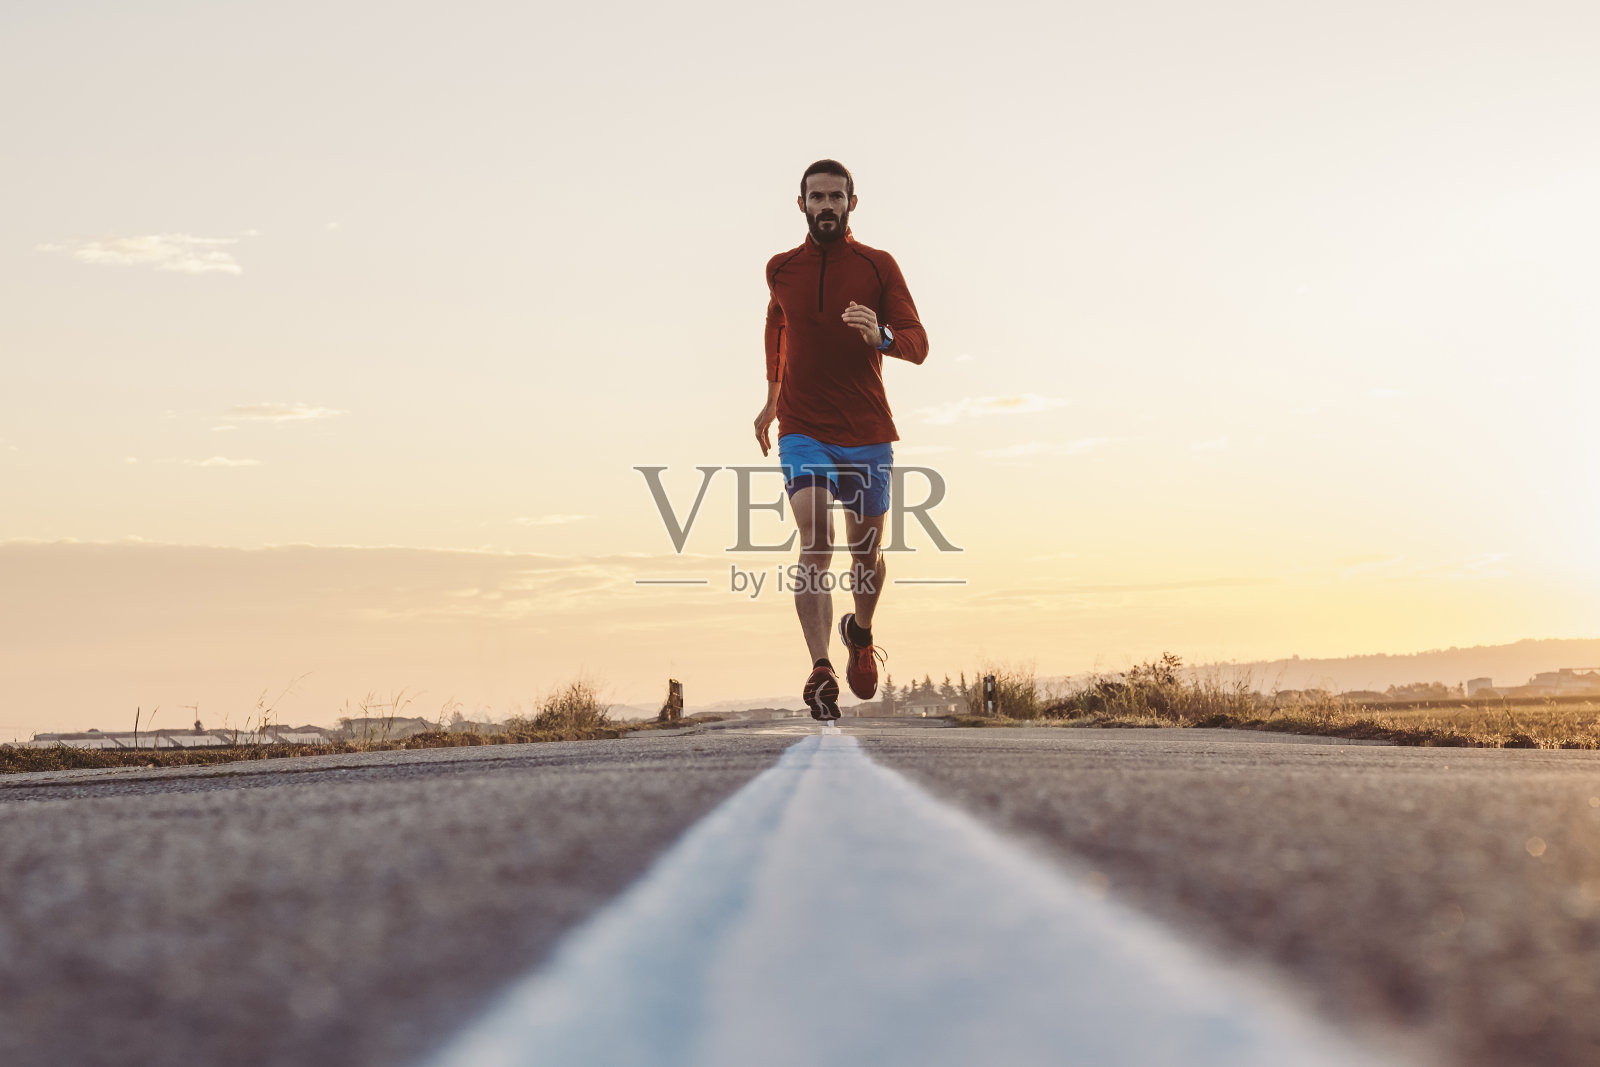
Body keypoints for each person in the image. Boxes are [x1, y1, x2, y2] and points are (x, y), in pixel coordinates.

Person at [753, 159, 929, 720]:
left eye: (835, 197)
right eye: (816, 197)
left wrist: (878, 334)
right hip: (803, 428)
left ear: (853, 203)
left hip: (867, 430)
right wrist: (773, 397)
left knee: (865, 554)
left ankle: (861, 631)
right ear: (800, 204)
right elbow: (777, 325)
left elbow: (918, 343)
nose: (825, 205)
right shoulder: (780, 269)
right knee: (815, 540)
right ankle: (820, 668)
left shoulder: (878, 267)